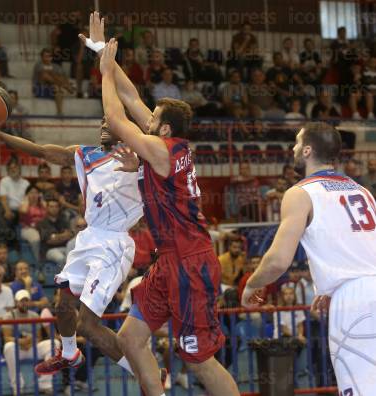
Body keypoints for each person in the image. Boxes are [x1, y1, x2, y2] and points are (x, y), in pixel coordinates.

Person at [92, 15, 239, 395]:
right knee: (130, 338)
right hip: (169, 259)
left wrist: (105, 73)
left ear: (165, 129)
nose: (149, 118)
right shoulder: (166, 144)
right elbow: (132, 99)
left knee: (199, 360)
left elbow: (114, 116)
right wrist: (101, 53)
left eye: (154, 118)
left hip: (190, 260)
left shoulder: (160, 150)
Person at [0, 113, 142, 379]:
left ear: (127, 128)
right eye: (102, 122)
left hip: (114, 240)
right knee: (63, 304)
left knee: (88, 325)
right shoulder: (85, 154)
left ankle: (146, 372)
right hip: (89, 236)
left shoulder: (140, 157)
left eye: (111, 122)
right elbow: (40, 151)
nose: (104, 126)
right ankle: (69, 353)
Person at [242, 122, 376, 396]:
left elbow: (278, 261)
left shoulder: (300, 193)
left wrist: (251, 284)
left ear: (306, 150)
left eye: (295, 142)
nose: (291, 147)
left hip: (355, 303)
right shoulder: (363, 191)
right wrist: (333, 287)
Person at [2, 289, 59, 395]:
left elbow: (39, 338)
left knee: (54, 343)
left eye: (26, 300)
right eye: (21, 301)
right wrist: (20, 341)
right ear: (16, 302)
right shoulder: (8, 316)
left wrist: (31, 342)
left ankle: (45, 384)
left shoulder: (34, 315)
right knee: (8, 347)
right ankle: (17, 385)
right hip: (18, 349)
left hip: (32, 347)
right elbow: (7, 337)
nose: (24, 303)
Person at [37, 199, 72, 266]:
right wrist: (63, 236)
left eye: (56, 206)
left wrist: (56, 236)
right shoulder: (42, 223)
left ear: (59, 208)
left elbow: (69, 235)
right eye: (51, 206)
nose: (54, 209)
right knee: (61, 259)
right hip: (50, 250)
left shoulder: (63, 220)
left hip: (65, 247)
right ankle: (64, 276)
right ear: (47, 208)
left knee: (74, 256)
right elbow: (49, 241)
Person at [19, 185, 47, 261]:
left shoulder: (42, 205)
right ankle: (37, 260)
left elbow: (47, 215)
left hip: (41, 228)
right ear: (27, 194)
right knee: (35, 239)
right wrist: (26, 199)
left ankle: (46, 257)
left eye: (36, 193)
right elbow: (24, 211)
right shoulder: (24, 205)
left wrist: (42, 200)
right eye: (31, 193)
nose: (34, 195)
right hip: (28, 229)